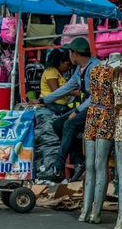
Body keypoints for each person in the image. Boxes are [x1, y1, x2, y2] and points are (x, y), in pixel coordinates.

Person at [37, 38, 100, 181]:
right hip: (87, 107)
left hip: (98, 108)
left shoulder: (95, 67)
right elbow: (66, 88)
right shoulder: (79, 69)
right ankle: (79, 160)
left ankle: (57, 168)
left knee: (69, 124)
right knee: (57, 124)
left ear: (75, 54)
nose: (69, 56)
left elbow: (96, 96)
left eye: (70, 52)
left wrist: (77, 112)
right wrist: (43, 100)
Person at [40, 49, 72, 115]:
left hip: (58, 105)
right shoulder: (51, 71)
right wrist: (73, 93)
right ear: (60, 62)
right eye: (67, 65)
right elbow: (56, 91)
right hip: (53, 105)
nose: (69, 68)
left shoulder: (59, 73)